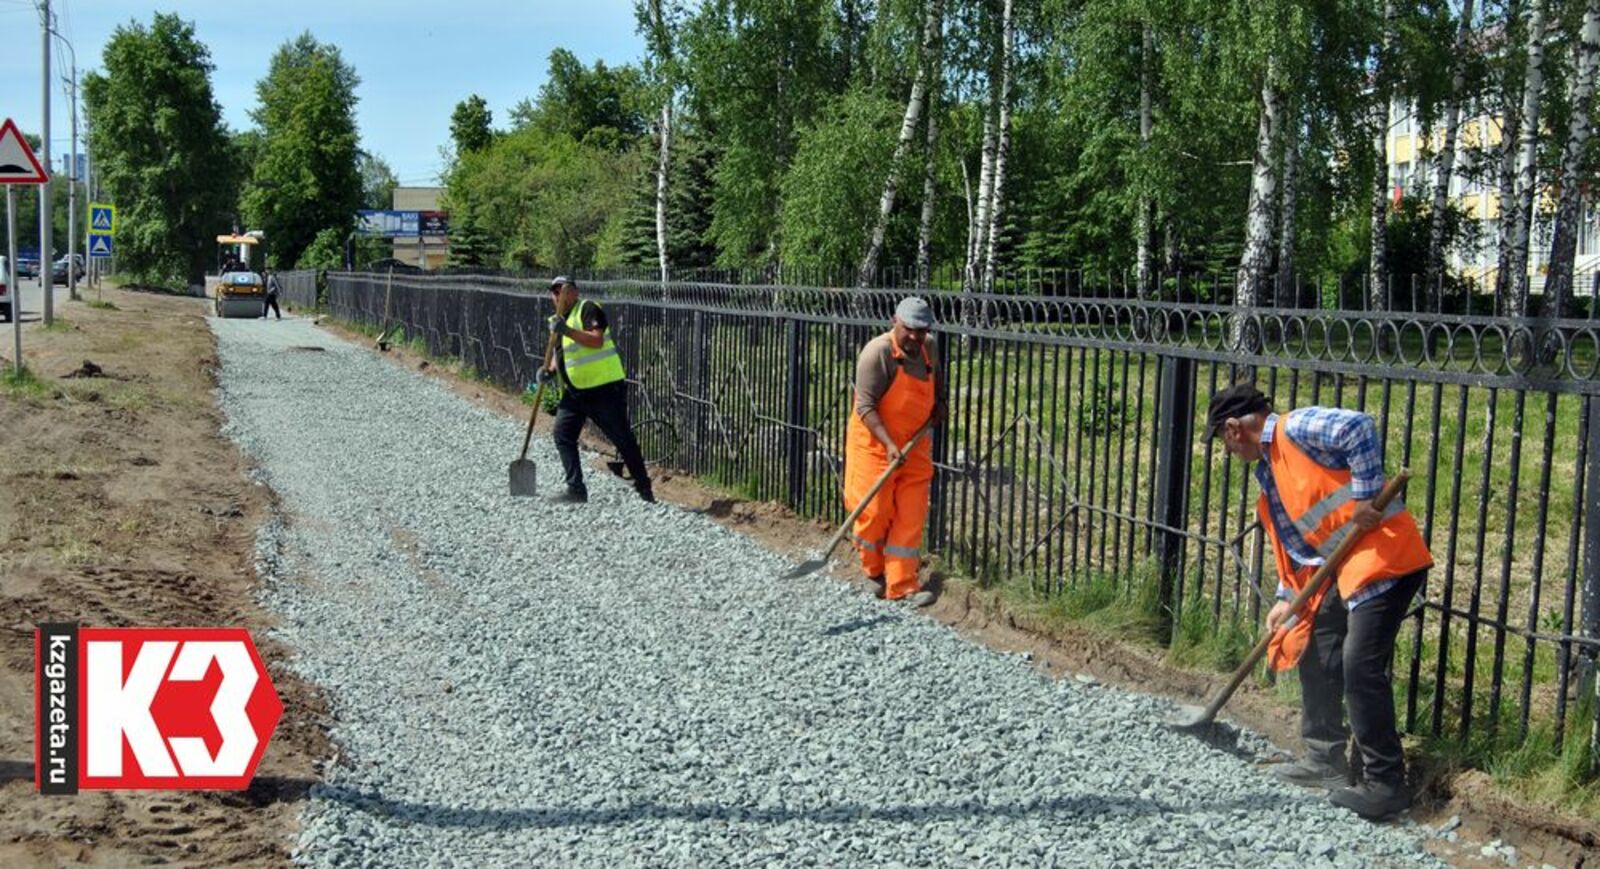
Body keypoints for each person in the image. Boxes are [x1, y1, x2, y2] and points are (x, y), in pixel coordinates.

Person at [1208, 383, 1433, 820]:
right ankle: (1325, 758)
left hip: (1385, 559)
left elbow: (1358, 426)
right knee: (1317, 646)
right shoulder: (1271, 473)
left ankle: (1385, 783)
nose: (1228, 452)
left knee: (1360, 666)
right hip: (1347, 567)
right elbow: (1305, 542)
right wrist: (1286, 595)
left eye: (1222, 440)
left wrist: (1366, 497)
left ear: (1235, 429)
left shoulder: (1296, 429)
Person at [844, 297, 947, 607]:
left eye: (922, 330)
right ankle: (874, 573)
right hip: (875, 445)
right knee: (874, 511)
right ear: (895, 322)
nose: (916, 337)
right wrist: (889, 444)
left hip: (914, 443)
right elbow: (865, 406)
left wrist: (941, 403)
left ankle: (903, 583)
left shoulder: (929, 347)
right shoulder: (877, 353)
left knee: (911, 512)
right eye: (910, 330)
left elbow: (938, 381)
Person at [538, 276, 654, 504]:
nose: (558, 296)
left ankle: (644, 488)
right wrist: (549, 371)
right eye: (554, 292)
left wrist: (567, 331)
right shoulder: (558, 320)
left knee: (622, 438)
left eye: (563, 290)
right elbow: (559, 352)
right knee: (562, 435)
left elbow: (596, 341)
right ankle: (576, 489)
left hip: (604, 390)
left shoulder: (588, 309)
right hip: (574, 393)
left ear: (574, 292)